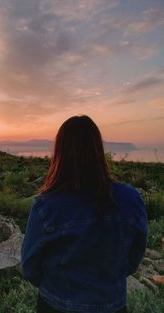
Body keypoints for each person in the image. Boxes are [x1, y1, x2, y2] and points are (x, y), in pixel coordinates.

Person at [21, 115, 148, 313]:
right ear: (98, 148)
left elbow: (30, 267)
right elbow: (134, 256)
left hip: (56, 305)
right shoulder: (131, 199)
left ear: (60, 152)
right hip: (112, 305)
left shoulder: (46, 205)